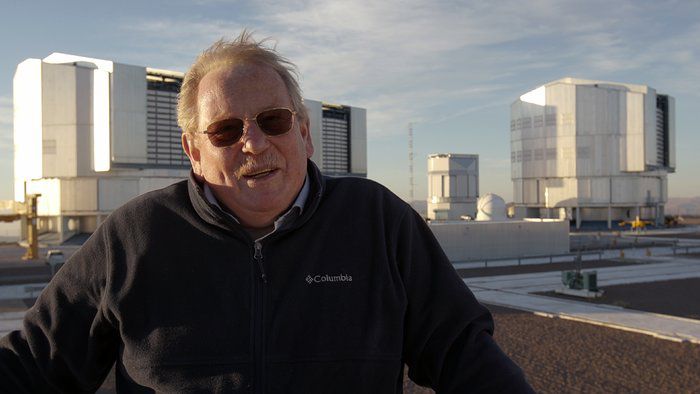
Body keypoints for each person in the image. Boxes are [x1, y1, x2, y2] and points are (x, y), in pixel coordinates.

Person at [0, 31, 533, 393]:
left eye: (273, 121)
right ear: (193, 150)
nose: (253, 144)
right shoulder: (135, 238)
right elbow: (34, 365)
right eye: (226, 130)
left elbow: (464, 353)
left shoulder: (377, 223)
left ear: (303, 132)